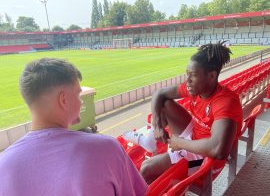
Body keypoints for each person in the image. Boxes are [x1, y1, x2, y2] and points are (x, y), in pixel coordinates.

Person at [0, 58, 147, 196]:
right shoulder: (106, 148)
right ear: (63, 99)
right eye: (78, 95)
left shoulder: (4, 164)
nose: (81, 102)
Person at [123, 41, 243, 184]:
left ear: (211, 76)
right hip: (193, 138)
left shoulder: (225, 102)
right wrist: (157, 126)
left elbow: (218, 150)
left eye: (192, 75)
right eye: (187, 74)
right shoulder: (197, 88)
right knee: (165, 103)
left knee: (146, 168)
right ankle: (151, 136)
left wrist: (180, 143)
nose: (188, 80)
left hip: (206, 163)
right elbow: (158, 94)